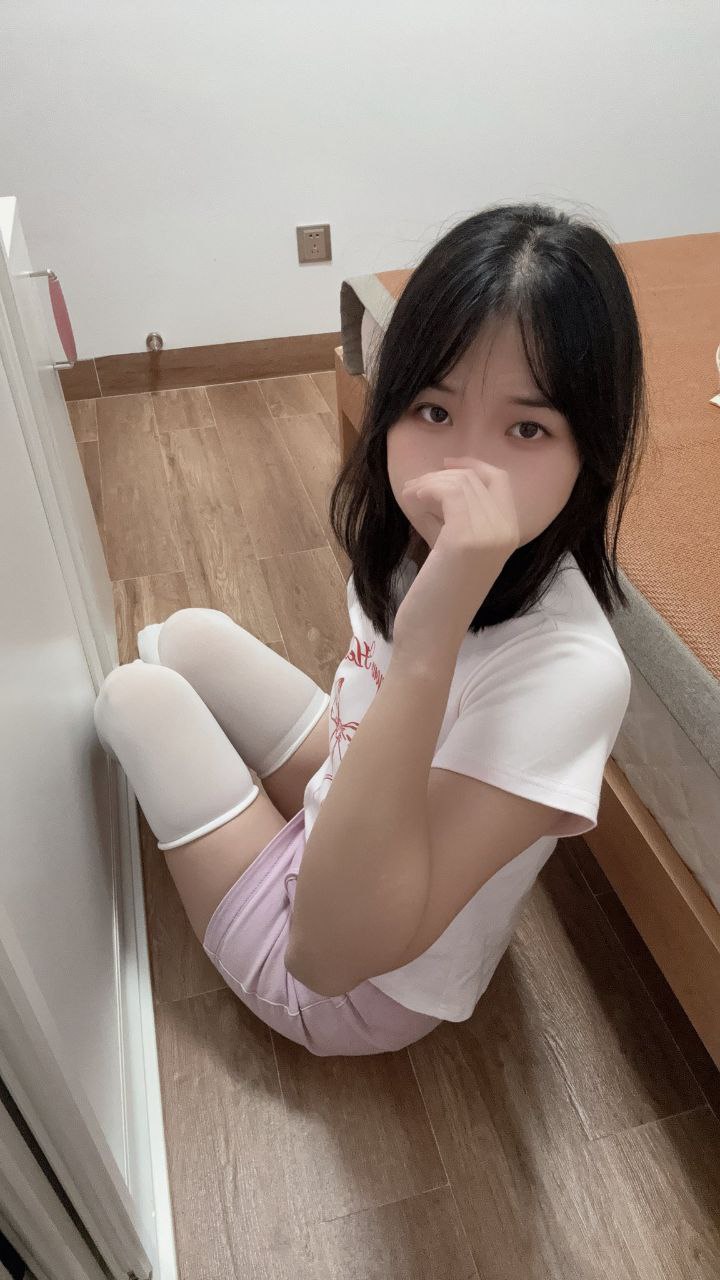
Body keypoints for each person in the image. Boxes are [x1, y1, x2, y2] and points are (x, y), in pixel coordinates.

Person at [94, 201, 648, 1057]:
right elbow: (368, 706)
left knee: (135, 696)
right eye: (434, 410)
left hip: (351, 980)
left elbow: (327, 958)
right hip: (358, 800)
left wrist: (429, 644)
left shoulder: (571, 673)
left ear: (591, 454)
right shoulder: (405, 544)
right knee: (184, 637)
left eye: (527, 427)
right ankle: (252, 814)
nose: (463, 469)